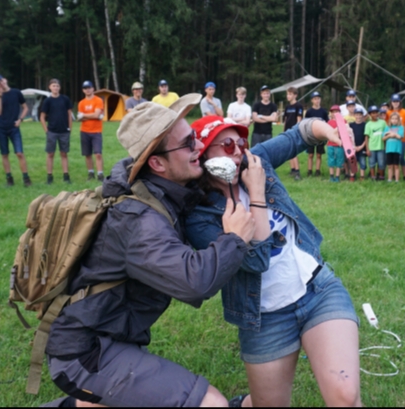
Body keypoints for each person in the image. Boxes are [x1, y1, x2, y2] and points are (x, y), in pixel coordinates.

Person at [44, 95, 256, 408]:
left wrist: (306, 133)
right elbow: (194, 281)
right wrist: (234, 239)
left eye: (195, 137)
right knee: (211, 404)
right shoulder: (139, 220)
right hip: (87, 352)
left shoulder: (159, 188)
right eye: (188, 144)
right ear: (157, 163)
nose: (199, 147)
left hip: (106, 338)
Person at [185, 115, 362, 408]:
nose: (238, 151)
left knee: (346, 397)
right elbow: (257, 260)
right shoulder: (199, 215)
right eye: (227, 144)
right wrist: (256, 193)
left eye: (241, 142)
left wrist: (331, 132)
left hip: (317, 290)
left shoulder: (256, 161)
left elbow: (300, 133)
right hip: (264, 316)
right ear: (203, 154)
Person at [0, 74, 31, 187]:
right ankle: (9, 179)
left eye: (1, 81)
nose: (1, 83)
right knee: (4, 154)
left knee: (19, 153)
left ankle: (26, 179)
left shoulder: (16, 92)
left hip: (14, 127)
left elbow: (25, 107)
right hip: (1, 128)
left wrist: (20, 119)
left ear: (5, 80)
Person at [40, 78, 73, 185]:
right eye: (53, 86)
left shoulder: (65, 99)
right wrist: (46, 130)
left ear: (60, 88)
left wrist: (70, 128)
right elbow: (42, 117)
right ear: (50, 87)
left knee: (64, 153)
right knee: (50, 154)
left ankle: (66, 176)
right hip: (52, 131)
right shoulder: (47, 101)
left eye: (57, 86)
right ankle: (49, 177)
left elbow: (69, 114)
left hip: (64, 131)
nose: (56, 88)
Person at [78, 81, 105, 182]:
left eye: (89, 87)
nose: (87, 90)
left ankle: (100, 174)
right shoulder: (81, 103)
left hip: (96, 131)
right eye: (85, 88)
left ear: (93, 89)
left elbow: (97, 115)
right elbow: (79, 119)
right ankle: (90, 173)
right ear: (83, 90)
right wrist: (93, 116)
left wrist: (84, 115)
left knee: (98, 154)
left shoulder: (98, 100)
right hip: (84, 130)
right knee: (87, 154)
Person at [387, 94, 405, 181]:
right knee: (392, 158)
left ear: (400, 102)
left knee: (401, 157)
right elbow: (387, 124)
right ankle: (393, 175)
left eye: (397, 101)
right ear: (391, 102)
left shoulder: (404, 112)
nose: (395, 103)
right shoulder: (388, 112)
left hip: (402, 139)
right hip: (391, 139)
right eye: (394, 101)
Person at [304, 91, 328, 177]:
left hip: (320, 136)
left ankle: (318, 171)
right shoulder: (309, 112)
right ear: (312, 100)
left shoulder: (323, 111)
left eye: (318, 98)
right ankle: (309, 170)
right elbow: (305, 123)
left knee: (318, 155)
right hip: (311, 136)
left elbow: (326, 123)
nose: (317, 100)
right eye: (315, 99)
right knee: (310, 154)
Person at [283, 87, 304, 180]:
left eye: (290, 94)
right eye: (287, 94)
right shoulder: (287, 107)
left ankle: (297, 171)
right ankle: (292, 169)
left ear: (295, 95)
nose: (288, 96)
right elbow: (285, 120)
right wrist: (284, 131)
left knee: (294, 152)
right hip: (287, 131)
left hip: (294, 131)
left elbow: (299, 120)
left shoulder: (298, 106)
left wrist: (296, 131)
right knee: (289, 151)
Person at [365, 106, 388, 181]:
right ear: (370, 114)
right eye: (373, 113)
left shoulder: (383, 122)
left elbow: (386, 134)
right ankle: (373, 177)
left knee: (381, 163)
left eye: (376, 112)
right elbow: (366, 137)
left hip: (381, 147)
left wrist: (386, 146)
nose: (375, 114)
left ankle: (381, 176)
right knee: (372, 163)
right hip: (372, 147)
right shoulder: (368, 124)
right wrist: (367, 149)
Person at [384, 112, 405, 182]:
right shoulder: (387, 127)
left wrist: (390, 134)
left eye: (396, 119)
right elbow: (383, 138)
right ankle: (389, 179)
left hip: (397, 149)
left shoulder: (401, 127)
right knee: (389, 165)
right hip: (389, 149)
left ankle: (397, 180)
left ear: (398, 120)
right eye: (392, 119)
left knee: (396, 165)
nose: (394, 120)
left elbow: (400, 137)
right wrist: (391, 135)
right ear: (390, 119)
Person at [326, 105, 344, 183]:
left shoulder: (343, 121)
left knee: (339, 160)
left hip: (339, 144)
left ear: (339, 112)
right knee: (331, 160)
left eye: (337, 112)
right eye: (333, 112)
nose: (335, 113)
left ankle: (337, 176)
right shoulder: (329, 122)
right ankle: (331, 176)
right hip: (330, 144)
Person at [351, 106, 368, 181]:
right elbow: (349, 136)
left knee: (362, 162)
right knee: (353, 162)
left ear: (362, 115)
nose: (358, 116)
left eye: (360, 114)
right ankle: (352, 175)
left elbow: (366, 137)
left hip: (362, 146)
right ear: (354, 115)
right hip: (353, 147)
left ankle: (362, 176)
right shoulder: (351, 125)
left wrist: (362, 146)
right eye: (357, 114)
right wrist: (354, 146)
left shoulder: (365, 125)